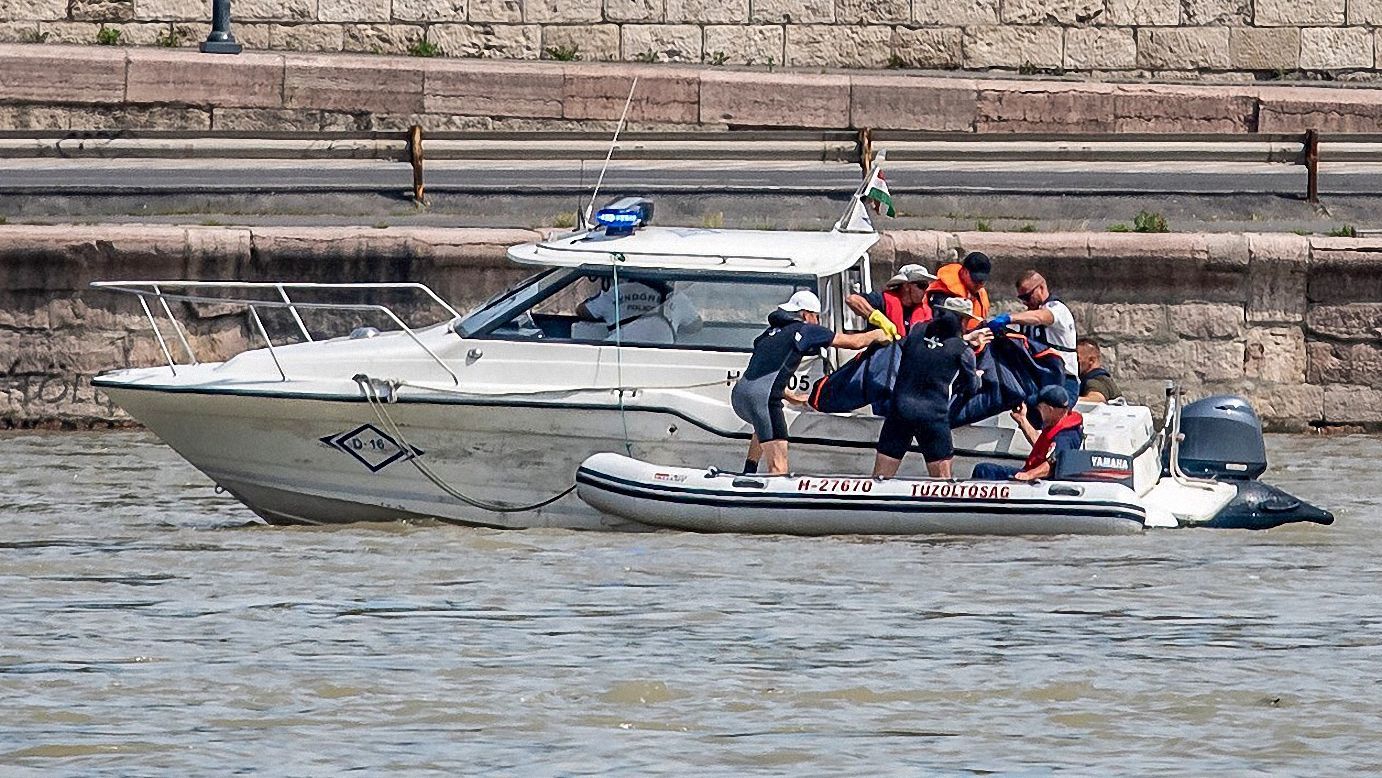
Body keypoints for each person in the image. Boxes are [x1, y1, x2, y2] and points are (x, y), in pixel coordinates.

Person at [732, 291, 890, 475]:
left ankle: (748, 472)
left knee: (763, 425)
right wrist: (878, 334)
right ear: (806, 314)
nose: (817, 321)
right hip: (762, 399)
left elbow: (764, 373)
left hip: (740, 395)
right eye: (816, 316)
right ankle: (777, 496)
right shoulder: (806, 329)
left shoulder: (769, 333)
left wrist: (788, 396)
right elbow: (853, 342)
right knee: (778, 463)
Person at [872, 305, 986, 480]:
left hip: (900, 410)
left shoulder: (916, 330)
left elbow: (927, 350)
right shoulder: (963, 350)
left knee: (879, 479)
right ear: (963, 321)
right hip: (932, 416)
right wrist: (978, 376)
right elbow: (971, 388)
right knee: (942, 483)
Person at [988, 270, 1078, 404]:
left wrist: (1009, 318)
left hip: (1063, 381)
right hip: (1038, 381)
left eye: (1027, 296)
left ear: (1041, 288)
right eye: (1021, 298)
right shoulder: (1029, 319)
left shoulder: (1057, 309)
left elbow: (1041, 317)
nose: (1025, 303)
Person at [971, 385, 1084, 482]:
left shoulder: (1066, 436)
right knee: (985, 469)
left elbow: (1054, 464)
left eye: (1040, 408)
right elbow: (1044, 448)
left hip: (1041, 481)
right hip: (1034, 475)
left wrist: (1029, 475)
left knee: (983, 470)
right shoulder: (1058, 423)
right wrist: (1022, 420)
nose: (1038, 411)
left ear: (1049, 409)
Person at [574, 276, 701, 344]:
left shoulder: (618, 291)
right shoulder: (676, 297)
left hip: (617, 354)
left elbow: (583, 311)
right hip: (662, 359)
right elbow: (695, 326)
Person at [844, 263, 935, 339]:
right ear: (906, 286)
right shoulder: (882, 300)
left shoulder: (928, 310)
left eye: (926, 286)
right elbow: (852, 300)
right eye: (921, 286)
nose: (925, 291)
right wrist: (878, 319)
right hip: (882, 355)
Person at [925, 251, 991, 332]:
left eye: (982, 281)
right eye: (976, 280)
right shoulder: (943, 289)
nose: (979, 285)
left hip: (977, 337)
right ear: (965, 272)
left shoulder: (980, 293)